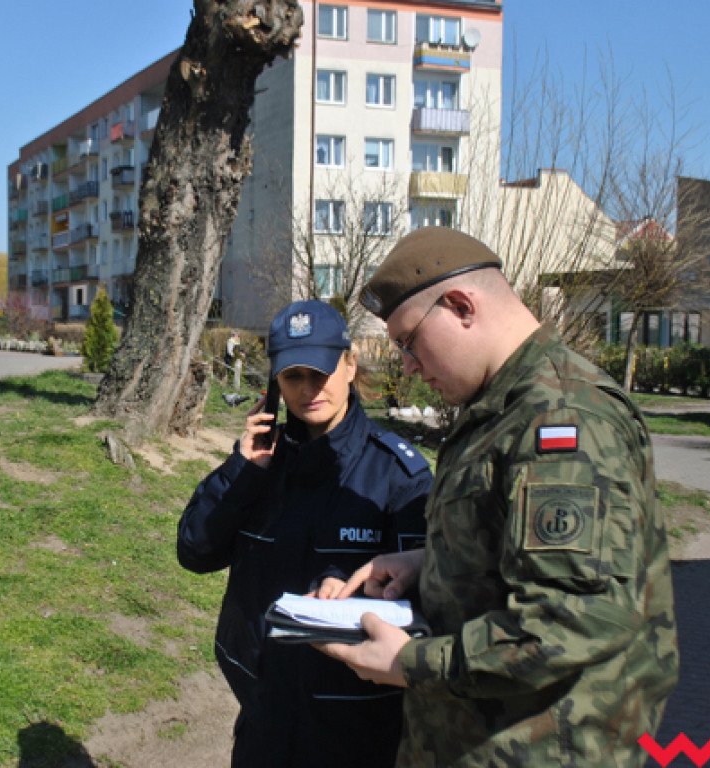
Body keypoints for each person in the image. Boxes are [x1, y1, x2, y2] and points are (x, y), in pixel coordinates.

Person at [317, 227, 679, 767]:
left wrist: (412, 662)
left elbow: (572, 617)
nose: (409, 366)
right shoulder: (505, 404)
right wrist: (430, 559)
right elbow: (521, 541)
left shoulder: (560, 418)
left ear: (461, 305)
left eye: (408, 342)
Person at [178, 300, 432, 767]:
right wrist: (243, 470)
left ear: (350, 365)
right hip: (263, 718)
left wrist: (354, 594)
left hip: (357, 730)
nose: (310, 389)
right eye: (294, 376)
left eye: (322, 372)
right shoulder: (259, 464)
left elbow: (426, 605)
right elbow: (195, 550)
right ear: (275, 383)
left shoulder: (398, 474)